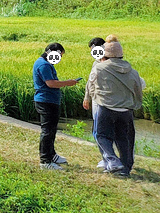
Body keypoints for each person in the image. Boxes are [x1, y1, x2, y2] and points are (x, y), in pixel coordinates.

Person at [84, 35, 145, 177]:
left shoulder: (99, 68)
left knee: (101, 135)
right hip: (126, 111)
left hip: (106, 108)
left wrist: (94, 98)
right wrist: (135, 104)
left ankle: (112, 160)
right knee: (123, 139)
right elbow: (138, 88)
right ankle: (125, 170)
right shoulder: (132, 71)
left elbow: (91, 85)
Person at [32, 42, 81, 170]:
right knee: (47, 131)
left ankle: (51, 155)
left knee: (52, 130)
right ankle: (45, 161)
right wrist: (68, 83)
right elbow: (51, 83)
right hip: (46, 101)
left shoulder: (45, 63)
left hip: (50, 101)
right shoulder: (43, 65)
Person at [83, 37, 122, 172]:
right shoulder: (98, 63)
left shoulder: (106, 64)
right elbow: (90, 82)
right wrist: (87, 97)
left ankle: (109, 159)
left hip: (104, 102)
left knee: (100, 131)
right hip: (98, 101)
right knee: (100, 131)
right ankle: (107, 158)